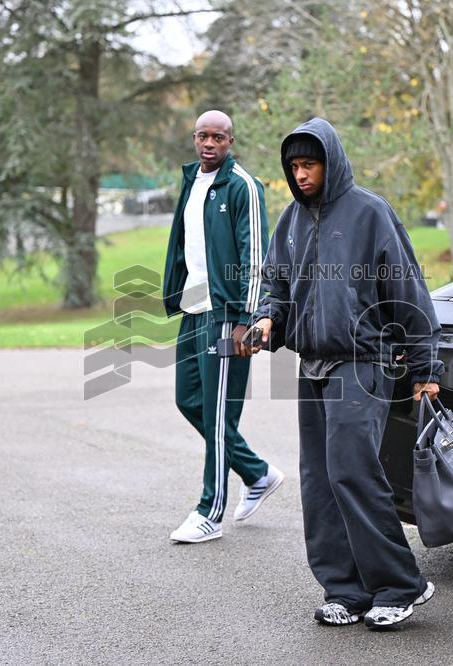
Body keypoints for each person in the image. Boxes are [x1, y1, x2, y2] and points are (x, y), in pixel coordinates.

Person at [246, 118, 444, 629]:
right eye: (293, 166)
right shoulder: (290, 220)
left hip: (363, 363)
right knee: (318, 481)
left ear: (330, 163)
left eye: (309, 163)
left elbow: (408, 293)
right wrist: (267, 319)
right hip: (311, 365)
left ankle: (402, 585)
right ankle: (345, 589)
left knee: (351, 472)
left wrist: (425, 367)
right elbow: (277, 286)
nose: (301, 173)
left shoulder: (370, 213)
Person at [161, 110, 283, 544]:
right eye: (202, 136)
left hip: (228, 315)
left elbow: (255, 257)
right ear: (194, 139)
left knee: (216, 411)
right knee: (189, 400)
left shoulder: (243, 186)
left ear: (230, 141)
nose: (209, 143)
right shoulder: (192, 180)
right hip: (195, 309)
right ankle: (256, 472)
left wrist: (247, 320)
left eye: (218, 137)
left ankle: (209, 510)